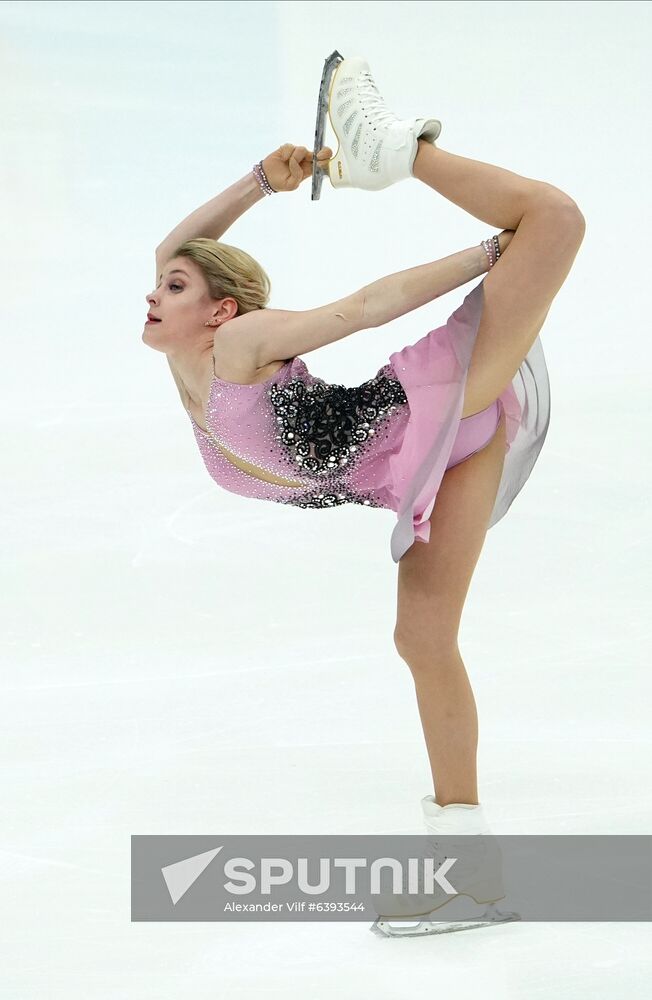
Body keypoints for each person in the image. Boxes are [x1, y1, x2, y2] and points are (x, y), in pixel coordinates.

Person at [143, 58, 585, 912]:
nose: (153, 293)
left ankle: (398, 150)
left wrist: (498, 253)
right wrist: (257, 185)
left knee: (553, 220)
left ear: (221, 311)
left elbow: (363, 307)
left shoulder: (239, 349)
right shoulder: (188, 371)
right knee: (422, 640)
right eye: (158, 288)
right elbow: (173, 248)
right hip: (424, 471)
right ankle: (471, 876)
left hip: (438, 406)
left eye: (174, 289)